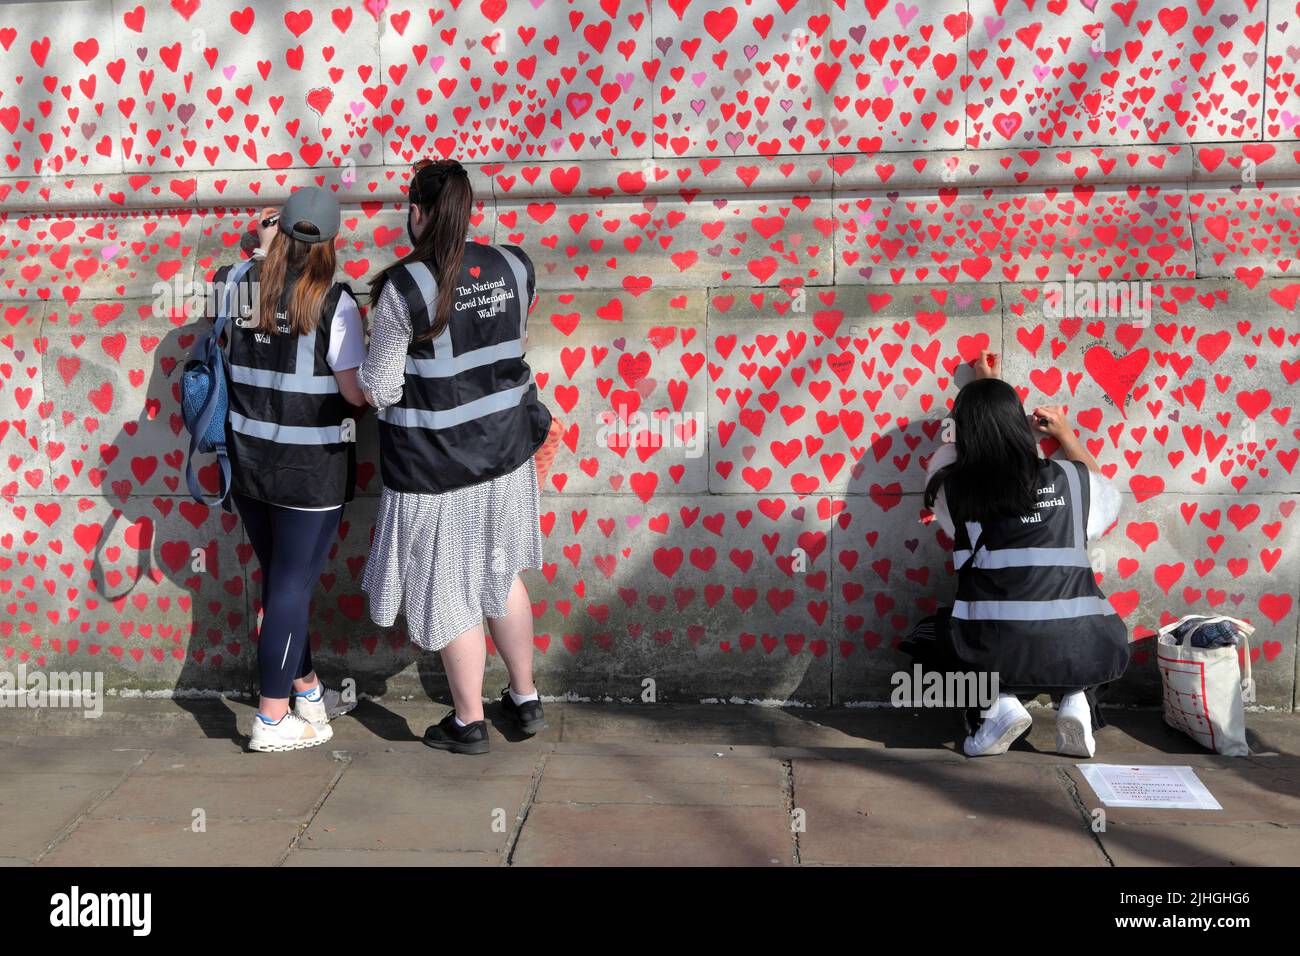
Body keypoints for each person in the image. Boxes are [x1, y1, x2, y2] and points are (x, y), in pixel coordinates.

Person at [359, 158, 553, 756]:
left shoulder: (403, 287)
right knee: (501, 575)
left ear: (417, 212)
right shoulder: (514, 265)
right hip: (505, 457)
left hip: (436, 468)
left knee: (451, 589)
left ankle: (468, 723)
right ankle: (524, 698)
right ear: (469, 212)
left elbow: (382, 388)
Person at [209, 187, 365, 752]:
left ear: (281, 229)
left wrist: (264, 246)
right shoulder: (335, 302)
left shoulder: (233, 284)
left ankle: (307, 691)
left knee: (282, 587)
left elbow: (242, 276)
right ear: (329, 242)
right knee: (290, 591)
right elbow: (354, 393)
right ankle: (271, 720)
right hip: (310, 471)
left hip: (248, 466)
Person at [923, 350, 1130, 758]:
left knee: (932, 637)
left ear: (962, 433)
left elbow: (940, 462)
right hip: (1089, 645)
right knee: (1070, 630)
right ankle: (1076, 702)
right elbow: (1104, 490)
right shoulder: (1071, 480)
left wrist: (978, 390)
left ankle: (998, 708)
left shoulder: (953, 489)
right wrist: (1064, 436)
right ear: (1020, 425)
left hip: (999, 649)